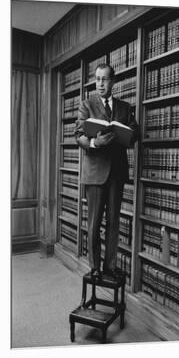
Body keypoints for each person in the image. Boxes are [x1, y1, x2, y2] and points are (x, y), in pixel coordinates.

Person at [75, 63, 139, 278]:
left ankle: (109, 266)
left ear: (113, 81)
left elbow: (135, 132)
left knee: (113, 222)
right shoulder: (86, 105)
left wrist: (128, 133)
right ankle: (94, 266)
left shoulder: (124, 107)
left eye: (105, 79)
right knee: (93, 222)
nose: (101, 84)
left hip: (117, 172)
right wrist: (95, 142)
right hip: (95, 172)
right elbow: (79, 135)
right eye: (98, 79)